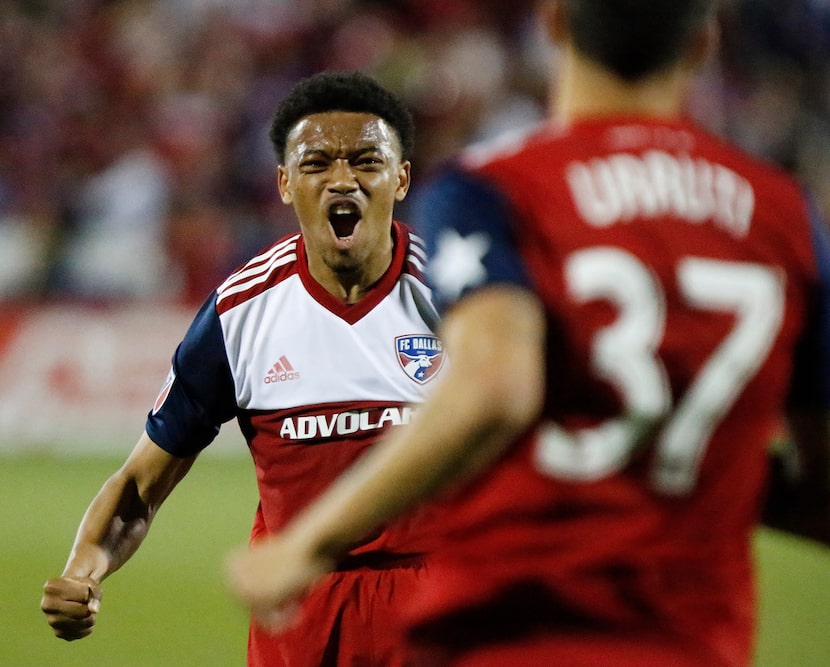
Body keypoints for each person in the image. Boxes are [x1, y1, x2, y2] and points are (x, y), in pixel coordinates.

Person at [224, 2, 830, 666]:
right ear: (704, 43)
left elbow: (496, 386)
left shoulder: (497, 189)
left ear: (554, 26)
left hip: (512, 634)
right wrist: (707, 462)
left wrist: (308, 542)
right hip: (693, 639)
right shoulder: (782, 216)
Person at [41, 71, 446, 667]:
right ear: (284, 183)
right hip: (300, 616)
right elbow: (140, 484)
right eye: (316, 164)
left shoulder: (463, 292)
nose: (343, 180)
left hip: (442, 610)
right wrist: (84, 570)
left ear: (401, 178)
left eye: (366, 161)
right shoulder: (241, 313)